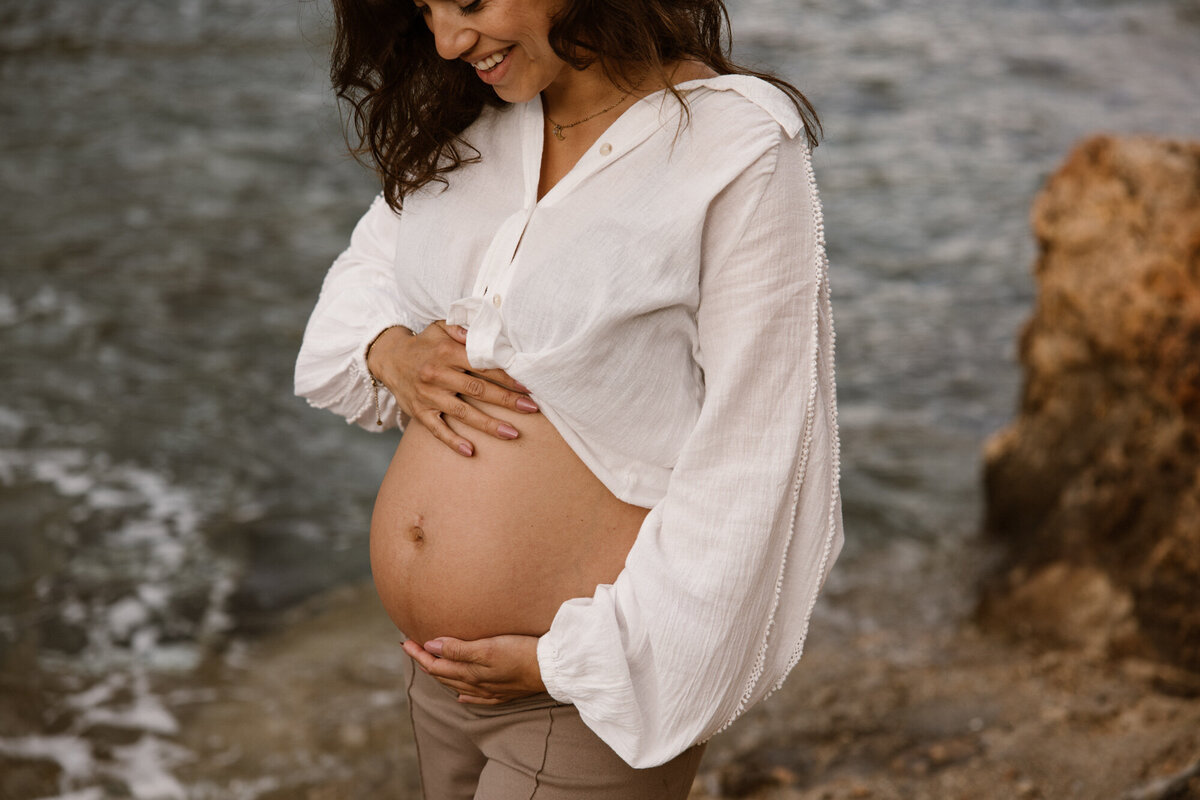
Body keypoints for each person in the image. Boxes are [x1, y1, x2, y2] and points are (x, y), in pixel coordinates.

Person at [295, 0, 843, 796]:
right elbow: (363, 279)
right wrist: (393, 354)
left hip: (584, 696)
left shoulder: (737, 146)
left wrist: (567, 663)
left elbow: (754, 455)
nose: (448, 41)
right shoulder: (479, 120)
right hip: (440, 684)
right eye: (427, 9)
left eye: (472, 3)